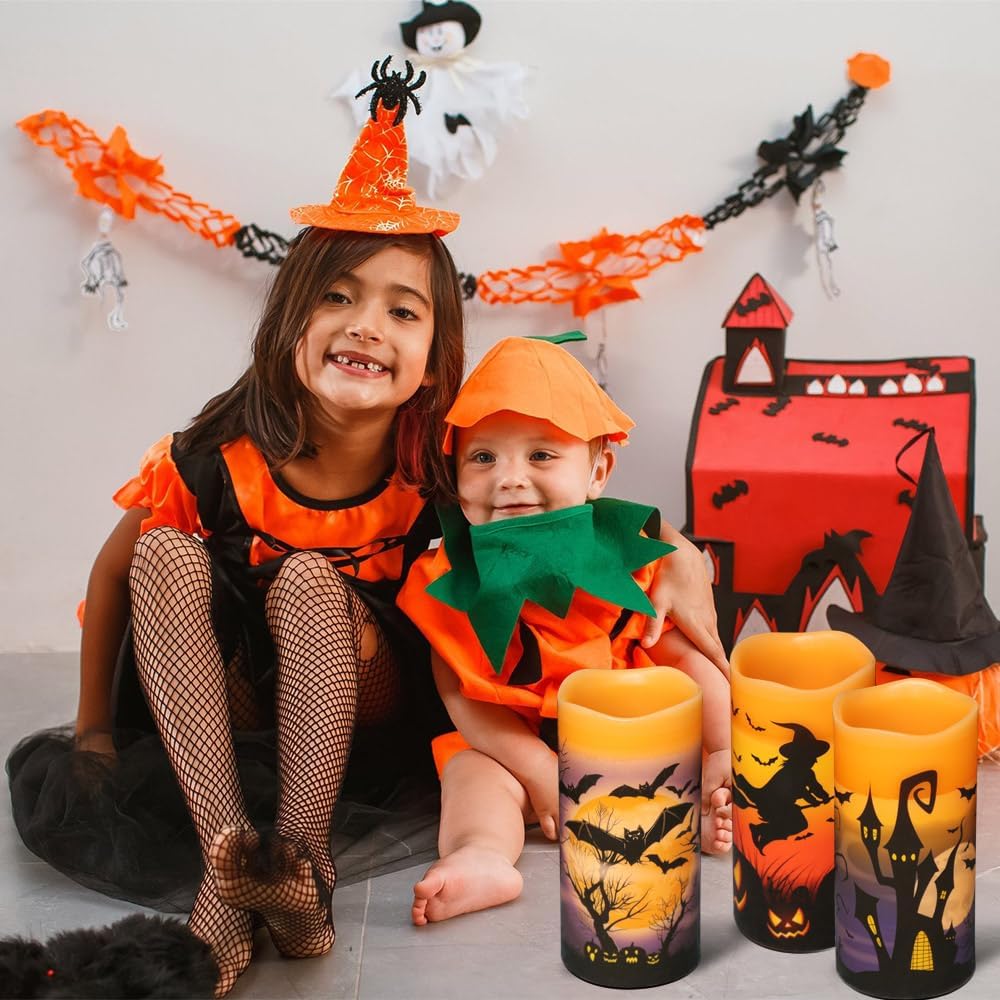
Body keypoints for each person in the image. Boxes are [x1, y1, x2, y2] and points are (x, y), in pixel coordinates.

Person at [6, 72, 725, 996]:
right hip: (220, 707)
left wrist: (681, 551)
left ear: (433, 358)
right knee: (163, 550)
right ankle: (231, 871)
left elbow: (565, 510)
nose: (366, 326)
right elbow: (113, 577)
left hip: (362, 708)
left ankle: (303, 866)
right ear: (290, 320)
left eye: (402, 310)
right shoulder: (217, 458)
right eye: (338, 298)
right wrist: (94, 732)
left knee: (310, 580)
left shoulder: (441, 464)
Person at [398, 336, 733, 927]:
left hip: (635, 738)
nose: (510, 479)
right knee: (472, 775)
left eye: (541, 455)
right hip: (519, 747)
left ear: (598, 471)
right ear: (455, 477)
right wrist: (536, 769)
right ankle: (482, 855)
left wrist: (723, 742)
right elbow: (460, 694)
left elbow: (684, 658)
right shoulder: (447, 577)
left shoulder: (630, 557)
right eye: (483, 458)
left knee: (690, 722)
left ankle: (706, 797)